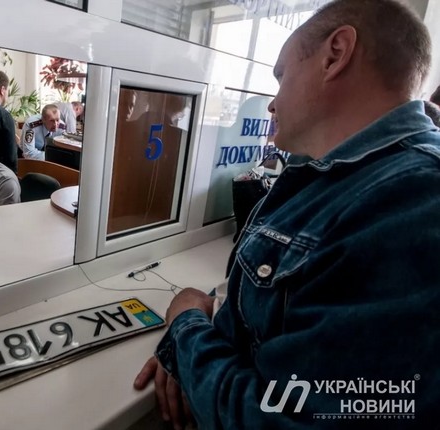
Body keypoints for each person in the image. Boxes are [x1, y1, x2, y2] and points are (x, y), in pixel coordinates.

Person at [134, 1, 440, 429]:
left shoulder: (415, 201)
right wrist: (197, 342)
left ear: (335, 55)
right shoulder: (334, 175)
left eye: (281, 76)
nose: (272, 103)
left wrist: (185, 324)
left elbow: (277, 418)